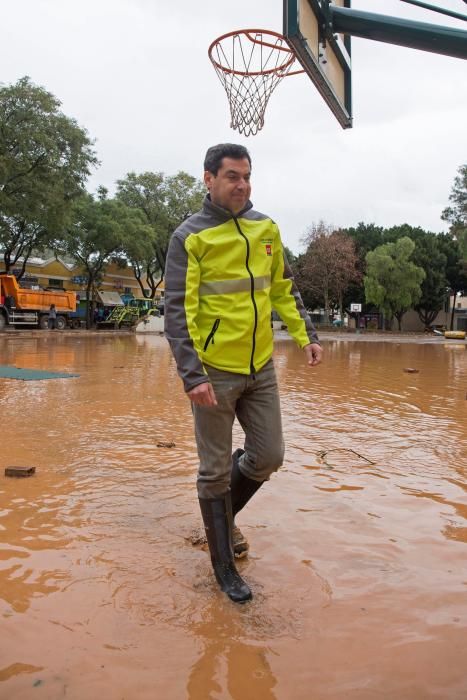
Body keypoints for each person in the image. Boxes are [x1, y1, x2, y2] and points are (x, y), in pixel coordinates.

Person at [164, 143, 322, 603]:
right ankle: (224, 569)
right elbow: (177, 311)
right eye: (232, 175)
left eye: (247, 175)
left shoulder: (265, 229)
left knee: (269, 455)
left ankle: (223, 519)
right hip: (214, 371)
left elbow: (283, 289)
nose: (242, 184)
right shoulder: (189, 238)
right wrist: (192, 375)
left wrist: (306, 335)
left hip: (261, 367)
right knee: (214, 471)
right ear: (208, 179)